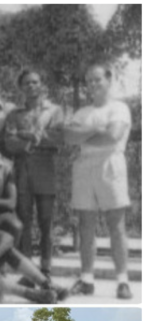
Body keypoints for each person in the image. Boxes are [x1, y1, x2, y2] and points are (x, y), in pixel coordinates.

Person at [65, 64, 133, 300]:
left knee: (116, 226)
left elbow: (112, 136)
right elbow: (68, 136)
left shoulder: (119, 108)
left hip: (110, 166)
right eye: (89, 81)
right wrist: (96, 129)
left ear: (108, 80)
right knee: (86, 227)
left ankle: (122, 281)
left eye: (97, 80)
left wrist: (84, 134)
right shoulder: (82, 112)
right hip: (84, 167)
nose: (93, 85)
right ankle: (87, 280)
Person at [5, 70, 64, 279]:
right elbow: (10, 143)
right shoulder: (14, 114)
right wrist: (31, 141)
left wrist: (28, 135)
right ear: (21, 87)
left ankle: (46, 268)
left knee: (46, 221)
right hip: (23, 170)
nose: (31, 86)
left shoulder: (54, 110)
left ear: (41, 84)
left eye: (35, 82)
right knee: (24, 222)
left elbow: (58, 138)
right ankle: (28, 271)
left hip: (45, 169)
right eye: (27, 83)